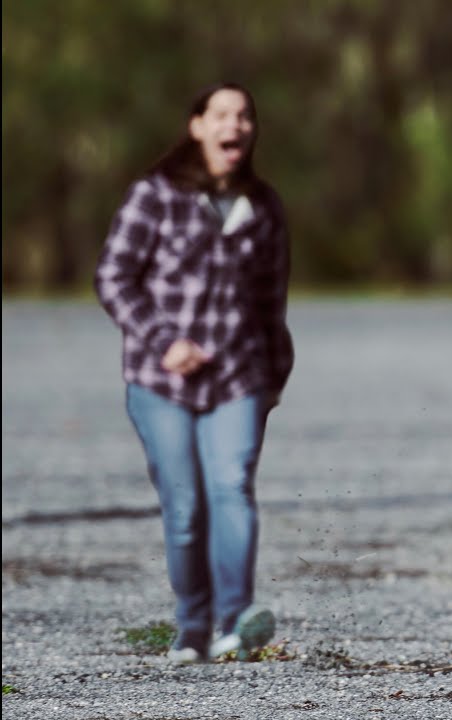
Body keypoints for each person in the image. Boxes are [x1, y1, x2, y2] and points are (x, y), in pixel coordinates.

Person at [95, 82, 293, 664]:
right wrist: (162, 340)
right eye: (223, 114)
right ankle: (193, 625)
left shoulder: (263, 205)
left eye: (246, 115)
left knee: (232, 489)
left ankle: (235, 622)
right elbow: (113, 276)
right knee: (185, 509)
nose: (236, 124)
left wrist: (274, 377)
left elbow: (269, 302)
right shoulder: (155, 196)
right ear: (198, 126)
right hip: (161, 382)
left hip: (240, 377)